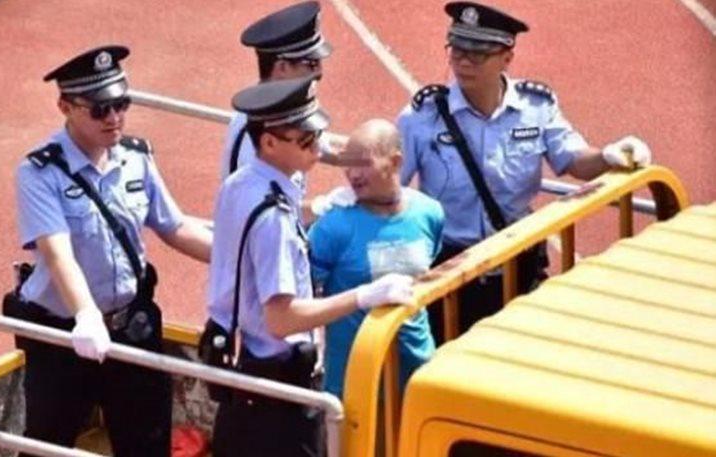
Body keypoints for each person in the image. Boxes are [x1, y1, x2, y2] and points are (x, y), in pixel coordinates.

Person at [397, 1, 652, 344]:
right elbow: (391, 187)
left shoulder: (536, 107)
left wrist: (609, 156)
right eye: (456, 50)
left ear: (507, 57)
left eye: (477, 53)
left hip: (519, 260)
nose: (463, 62)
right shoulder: (421, 117)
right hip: (450, 270)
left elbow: (574, 159)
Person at [7, 45, 212, 456]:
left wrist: (244, 261)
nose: (114, 117)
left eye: (122, 104)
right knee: (48, 443)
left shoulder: (136, 158)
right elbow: (58, 252)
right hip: (65, 335)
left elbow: (175, 227)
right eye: (100, 109)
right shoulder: (40, 172)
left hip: (130, 327)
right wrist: (86, 315)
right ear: (65, 106)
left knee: (147, 442)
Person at [204, 76, 416, 457]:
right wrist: (363, 296)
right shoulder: (273, 217)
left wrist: (315, 207)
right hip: (277, 390)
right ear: (269, 143)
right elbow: (282, 319)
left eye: (316, 134)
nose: (317, 146)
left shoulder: (240, 184)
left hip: (243, 376)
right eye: (305, 140)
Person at [308, 119, 443, 399]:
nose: (353, 173)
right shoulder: (332, 227)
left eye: (364, 163)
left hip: (418, 378)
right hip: (354, 384)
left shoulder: (429, 213)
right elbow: (303, 293)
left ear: (395, 162)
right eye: (348, 163)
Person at [220, 0, 352, 222]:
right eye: (311, 64)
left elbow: (327, 151)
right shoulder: (257, 129)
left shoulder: (291, 112)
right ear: (281, 68)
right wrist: (327, 206)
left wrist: (368, 161)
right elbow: (263, 212)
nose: (320, 73)